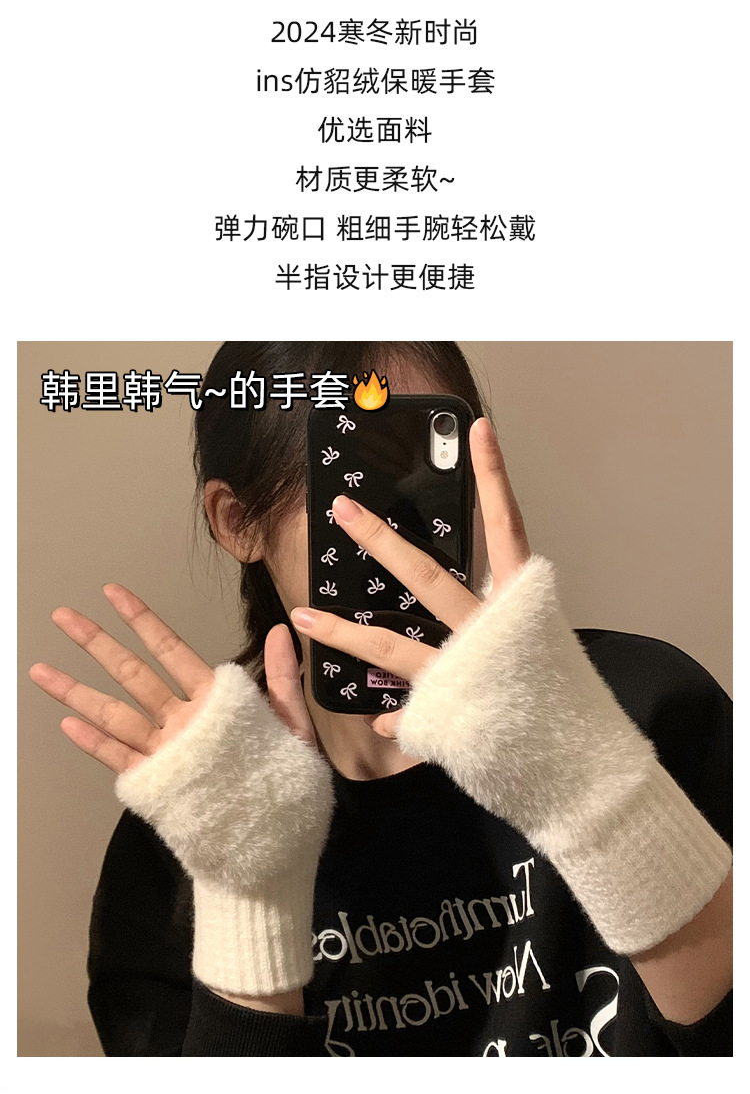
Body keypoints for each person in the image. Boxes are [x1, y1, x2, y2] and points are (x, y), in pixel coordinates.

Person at [29, 342, 733, 1057]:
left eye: (431, 471)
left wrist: (597, 792)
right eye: (357, 479)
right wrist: (249, 901)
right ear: (238, 521)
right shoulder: (192, 819)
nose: (401, 525)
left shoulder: (647, 710)